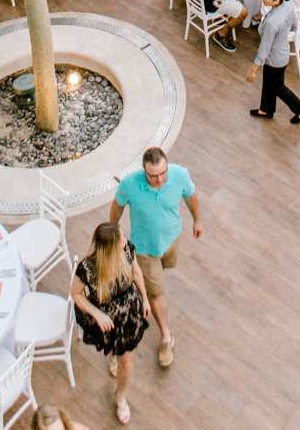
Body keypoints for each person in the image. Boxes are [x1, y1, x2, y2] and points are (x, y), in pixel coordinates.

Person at [110, 147, 201, 370]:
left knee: (163, 273)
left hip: (171, 241)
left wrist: (197, 220)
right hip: (144, 250)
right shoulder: (129, 185)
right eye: (153, 176)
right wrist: (114, 231)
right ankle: (166, 337)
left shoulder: (180, 174)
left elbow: (191, 196)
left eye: (163, 173)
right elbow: (117, 206)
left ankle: (146, 287)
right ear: (144, 171)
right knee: (156, 293)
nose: (160, 180)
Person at [71, 221, 150, 426]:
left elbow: (137, 273)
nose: (125, 241)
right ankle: (114, 355)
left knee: (127, 362)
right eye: (120, 240)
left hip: (129, 314)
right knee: (114, 348)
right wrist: (97, 314)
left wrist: (145, 299)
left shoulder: (127, 250)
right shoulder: (88, 268)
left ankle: (120, 397)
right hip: (106, 317)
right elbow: (75, 294)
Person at [247, 0, 300, 123]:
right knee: (269, 84)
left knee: (277, 87)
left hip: (274, 59)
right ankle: (266, 109)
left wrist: (253, 70)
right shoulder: (287, 5)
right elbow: (294, 24)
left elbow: (264, 49)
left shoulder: (272, 23)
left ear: (276, 1)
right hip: (282, 52)